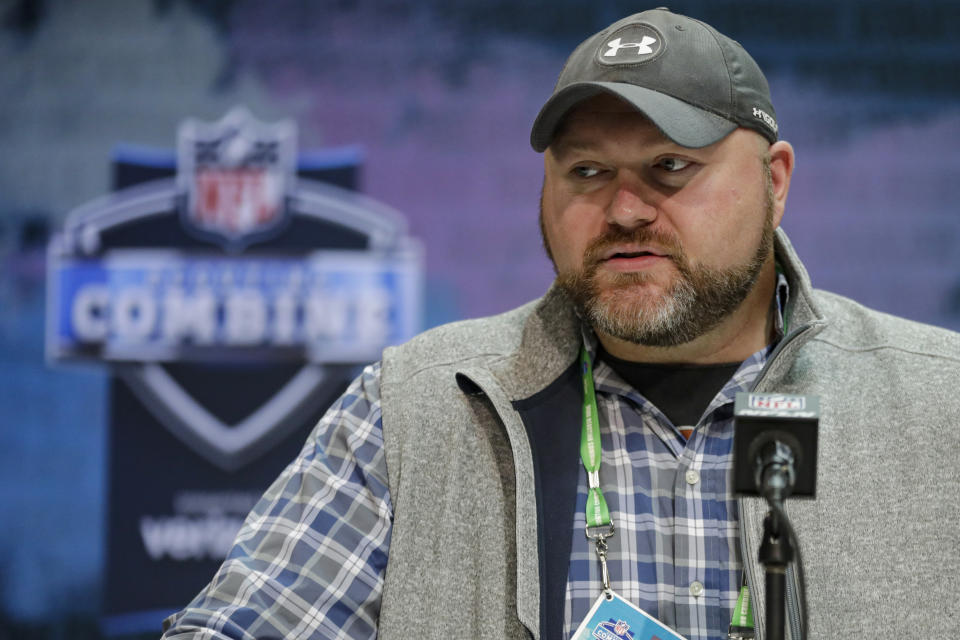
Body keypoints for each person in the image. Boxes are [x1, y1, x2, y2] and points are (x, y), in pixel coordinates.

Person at [162, 8, 960, 640]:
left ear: (775, 181)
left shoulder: (940, 404)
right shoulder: (419, 407)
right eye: (587, 172)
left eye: (670, 167)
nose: (623, 208)